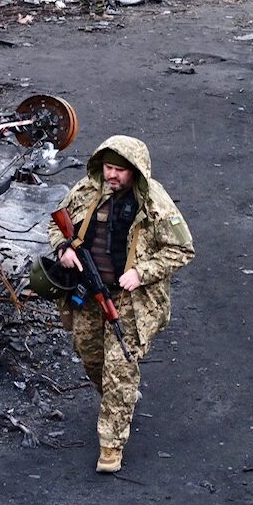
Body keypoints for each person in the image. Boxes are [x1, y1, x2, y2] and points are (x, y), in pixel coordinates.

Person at [48, 137, 194, 473]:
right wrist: (63, 249)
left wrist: (142, 273)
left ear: (135, 171)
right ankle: (122, 398)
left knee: (119, 368)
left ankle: (111, 446)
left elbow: (182, 251)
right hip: (86, 293)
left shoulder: (154, 202)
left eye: (119, 170)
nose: (111, 175)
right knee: (90, 356)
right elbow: (55, 225)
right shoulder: (87, 190)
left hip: (131, 301)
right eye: (108, 167)